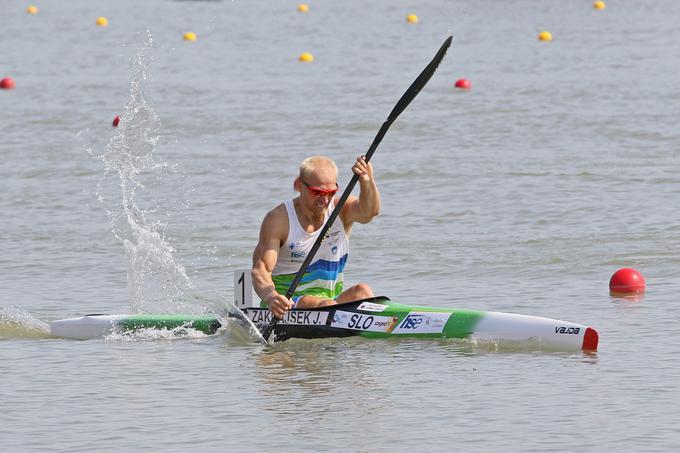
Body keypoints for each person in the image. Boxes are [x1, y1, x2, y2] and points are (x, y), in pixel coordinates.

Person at [252, 155, 380, 319]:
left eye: (331, 192)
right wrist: (271, 298)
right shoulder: (279, 219)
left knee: (363, 291)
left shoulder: (340, 209)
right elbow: (260, 270)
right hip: (287, 305)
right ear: (298, 185)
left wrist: (366, 182)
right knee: (327, 305)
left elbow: (369, 213)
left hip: (330, 302)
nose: (325, 200)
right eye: (317, 193)